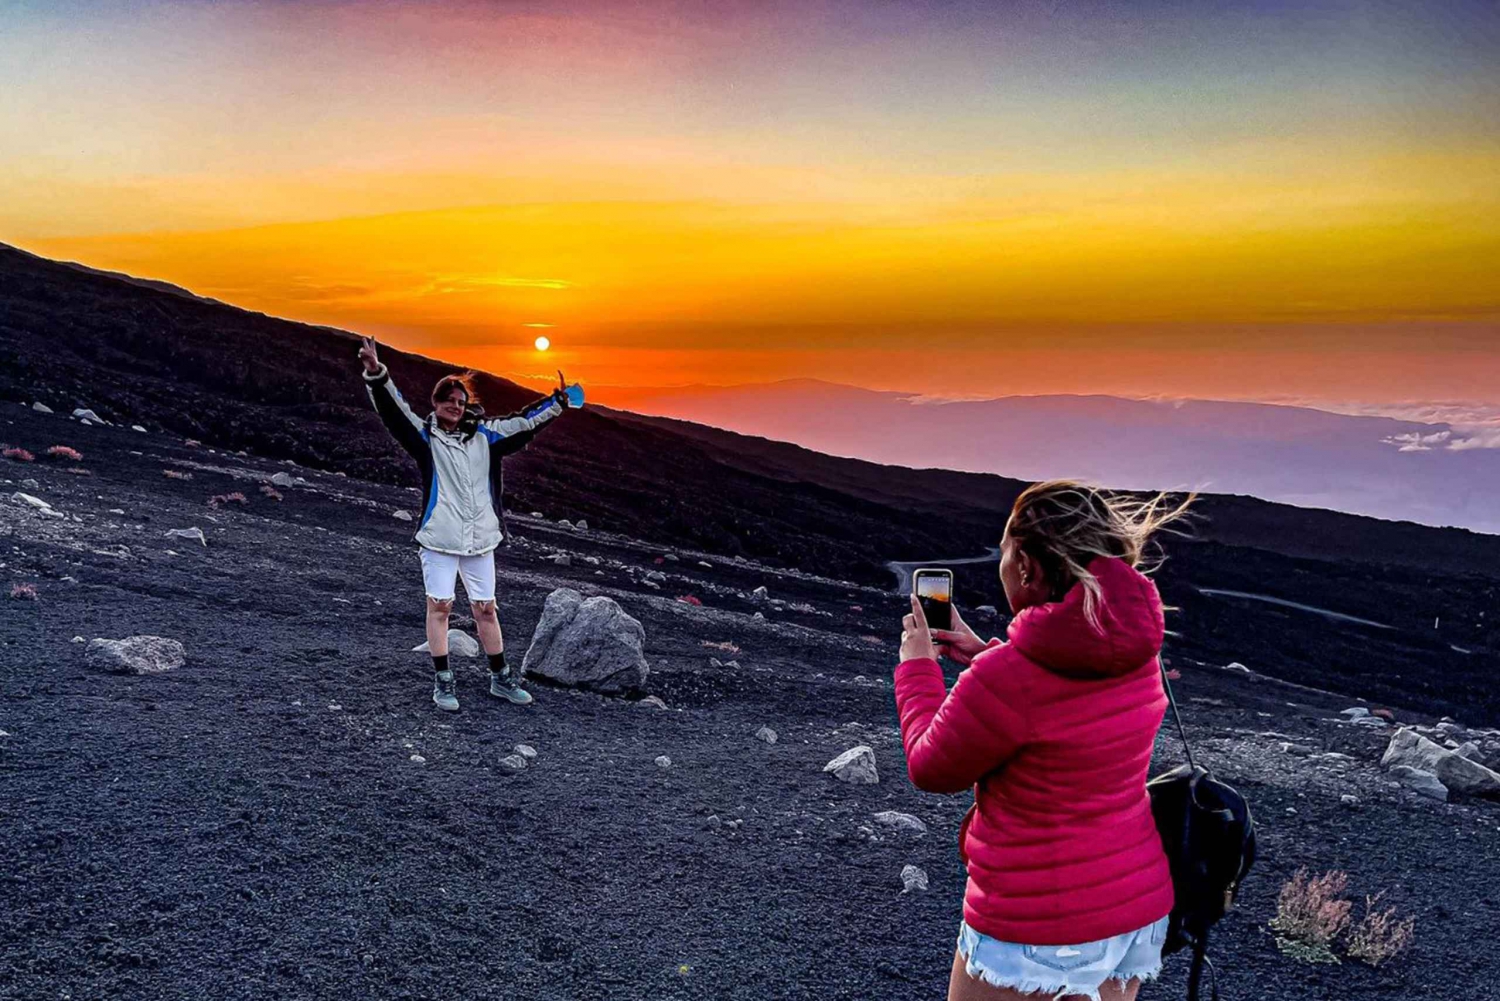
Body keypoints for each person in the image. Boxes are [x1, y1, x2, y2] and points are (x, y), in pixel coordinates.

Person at [894, 480, 1193, 1001]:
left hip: (1035, 921)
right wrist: (985, 653)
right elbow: (1064, 715)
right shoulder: (1135, 652)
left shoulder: (1010, 679)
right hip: (1133, 908)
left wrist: (918, 668)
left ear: (1028, 567)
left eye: (1007, 554)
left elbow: (930, 766)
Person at [358, 335, 574, 712]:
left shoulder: (486, 437)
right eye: (449, 401)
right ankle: (443, 680)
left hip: (480, 541)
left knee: (486, 609)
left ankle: (500, 678)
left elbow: (524, 424)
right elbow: (394, 412)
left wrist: (557, 403)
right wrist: (377, 375)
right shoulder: (425, 438)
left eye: (461, 402)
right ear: (436, 404)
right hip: (440, 539)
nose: (456, 407)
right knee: (439, 606)